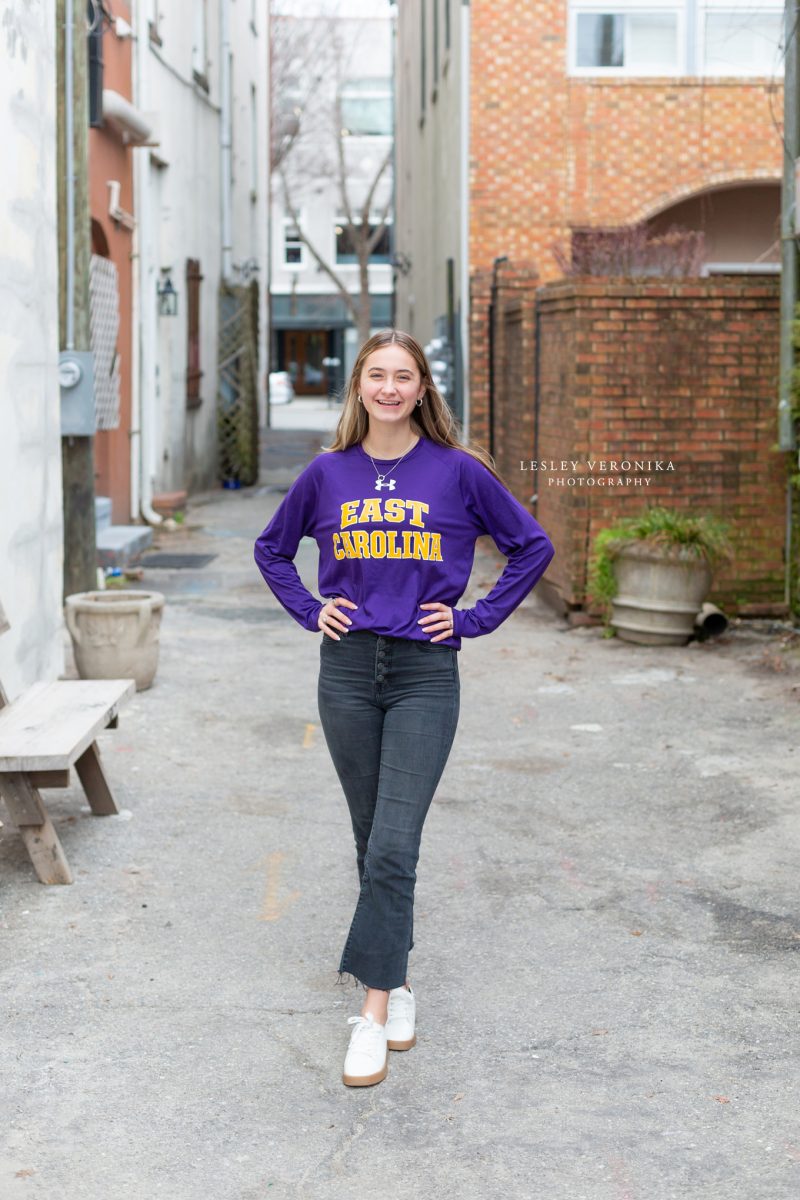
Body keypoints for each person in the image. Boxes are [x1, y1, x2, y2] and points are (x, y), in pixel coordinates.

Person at [254, 328, 555, 1088]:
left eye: (404, 376)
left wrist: (475, 618)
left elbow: (532, 547)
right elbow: (271, 548)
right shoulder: (327, 474)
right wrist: (306, 608)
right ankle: (403, 983)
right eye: (377, 375)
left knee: (393, 844)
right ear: (359, 386)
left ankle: (374, 1013)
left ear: (424, 389)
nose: (390, 388)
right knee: (371, 840)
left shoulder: (458, 472)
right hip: (348, 671)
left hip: (425, 673)